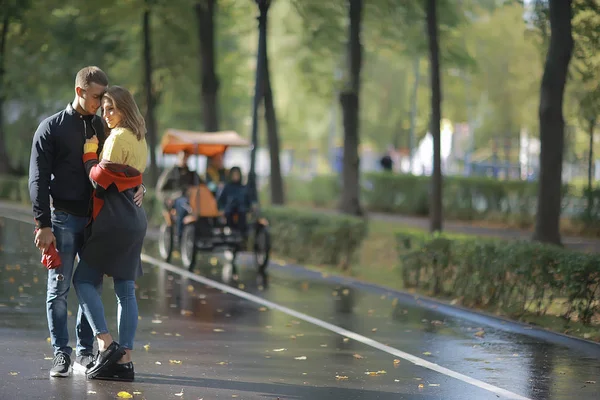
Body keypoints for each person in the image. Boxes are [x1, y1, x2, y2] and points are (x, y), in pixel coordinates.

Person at [28, 66, 145, 378]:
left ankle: (85, 352)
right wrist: (43, 224)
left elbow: (122, 163)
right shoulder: (51, 128)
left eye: (104, 99)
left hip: (98, 222)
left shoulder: (102, 124)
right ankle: (61, 355)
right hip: (63, 219)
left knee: (89, 285)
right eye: (96, 97)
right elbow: (37, 180)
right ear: (79, 91)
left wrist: (138, 185)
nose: (101, 103)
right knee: (60, 288)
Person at [72, 86, 148, 381]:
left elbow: (100, 181)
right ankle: (125, 361)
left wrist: (89, 154)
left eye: (112, 108)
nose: (106, 114)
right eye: (104, 108)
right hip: (134, 218)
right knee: (125, 290)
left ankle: (105, 344)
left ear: (125, 109)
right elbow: (133, 178)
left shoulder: (117, 137)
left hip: (113, 219)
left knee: (83, 280)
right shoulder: (141, 138)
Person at [156, 151, 202, 243]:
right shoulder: (170, 172)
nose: (184, 159)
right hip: (176, 201)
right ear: (178, 157)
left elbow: (203, 186)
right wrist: (168, 198)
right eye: (182, 157)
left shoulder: (192, 174)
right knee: (183, 205)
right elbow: (160, 190)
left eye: (186, 157)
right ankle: (179, 234)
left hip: (192, 200)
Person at [217, 166, 251, 235]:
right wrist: (222, 209)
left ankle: (241, 233)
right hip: (229, 210)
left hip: (241, 211)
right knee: (229, 211)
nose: (235, 177)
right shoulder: (227, 187)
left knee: (242, 211)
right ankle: (230, 231)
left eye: (237, 175)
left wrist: (249, 209)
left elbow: (248, 202)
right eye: (234, 175)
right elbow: (221, 201)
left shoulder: (243, 188)